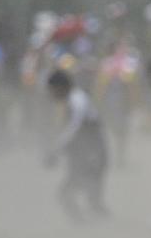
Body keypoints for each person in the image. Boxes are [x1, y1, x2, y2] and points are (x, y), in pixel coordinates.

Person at [44, 69, 109, 221]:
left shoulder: (77, 100)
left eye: (52, 90)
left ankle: (90, 227)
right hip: (86, 155)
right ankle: (90, 225)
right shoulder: (71, 101)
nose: (51, 95)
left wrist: (55, 150)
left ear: (61, 87)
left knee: (69, 193)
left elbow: (74, 127)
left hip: (92, 155)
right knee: (86, 196)